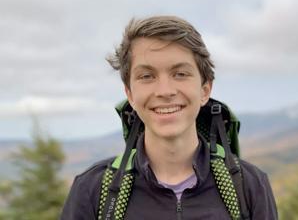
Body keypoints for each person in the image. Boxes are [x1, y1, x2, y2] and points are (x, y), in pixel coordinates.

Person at [61, 16, 278, 220]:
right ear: (130, 94)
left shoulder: (250, 186)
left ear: (205, 90)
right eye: (147, 76)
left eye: (180, 74)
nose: (165, 91)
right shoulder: (93, 190)